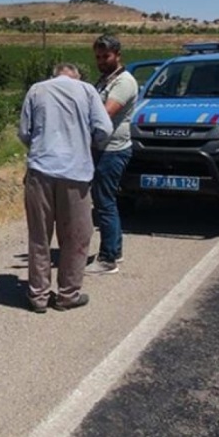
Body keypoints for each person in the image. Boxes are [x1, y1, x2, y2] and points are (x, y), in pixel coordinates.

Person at [18, 63, 113, 312]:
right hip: (76, 172)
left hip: (40, 171)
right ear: (76, 75)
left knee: (39, 236)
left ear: (55, 74)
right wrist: (86, 143)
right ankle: (68, 294)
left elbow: (24, 133)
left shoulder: (36, 90)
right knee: (76, 237)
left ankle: (38, 296)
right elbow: (104, 129)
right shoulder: (87, 91)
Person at [86, 35, 139, 275]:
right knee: (106, 200)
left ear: (117, 55)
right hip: (103, 148)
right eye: (98, 57)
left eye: (105, 56)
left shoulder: (124, 82)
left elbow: (104, 113)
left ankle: (108, 258)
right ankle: (114, 249)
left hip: (112, 150)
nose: (101, 61)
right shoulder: (106, 80)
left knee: (104, 203)